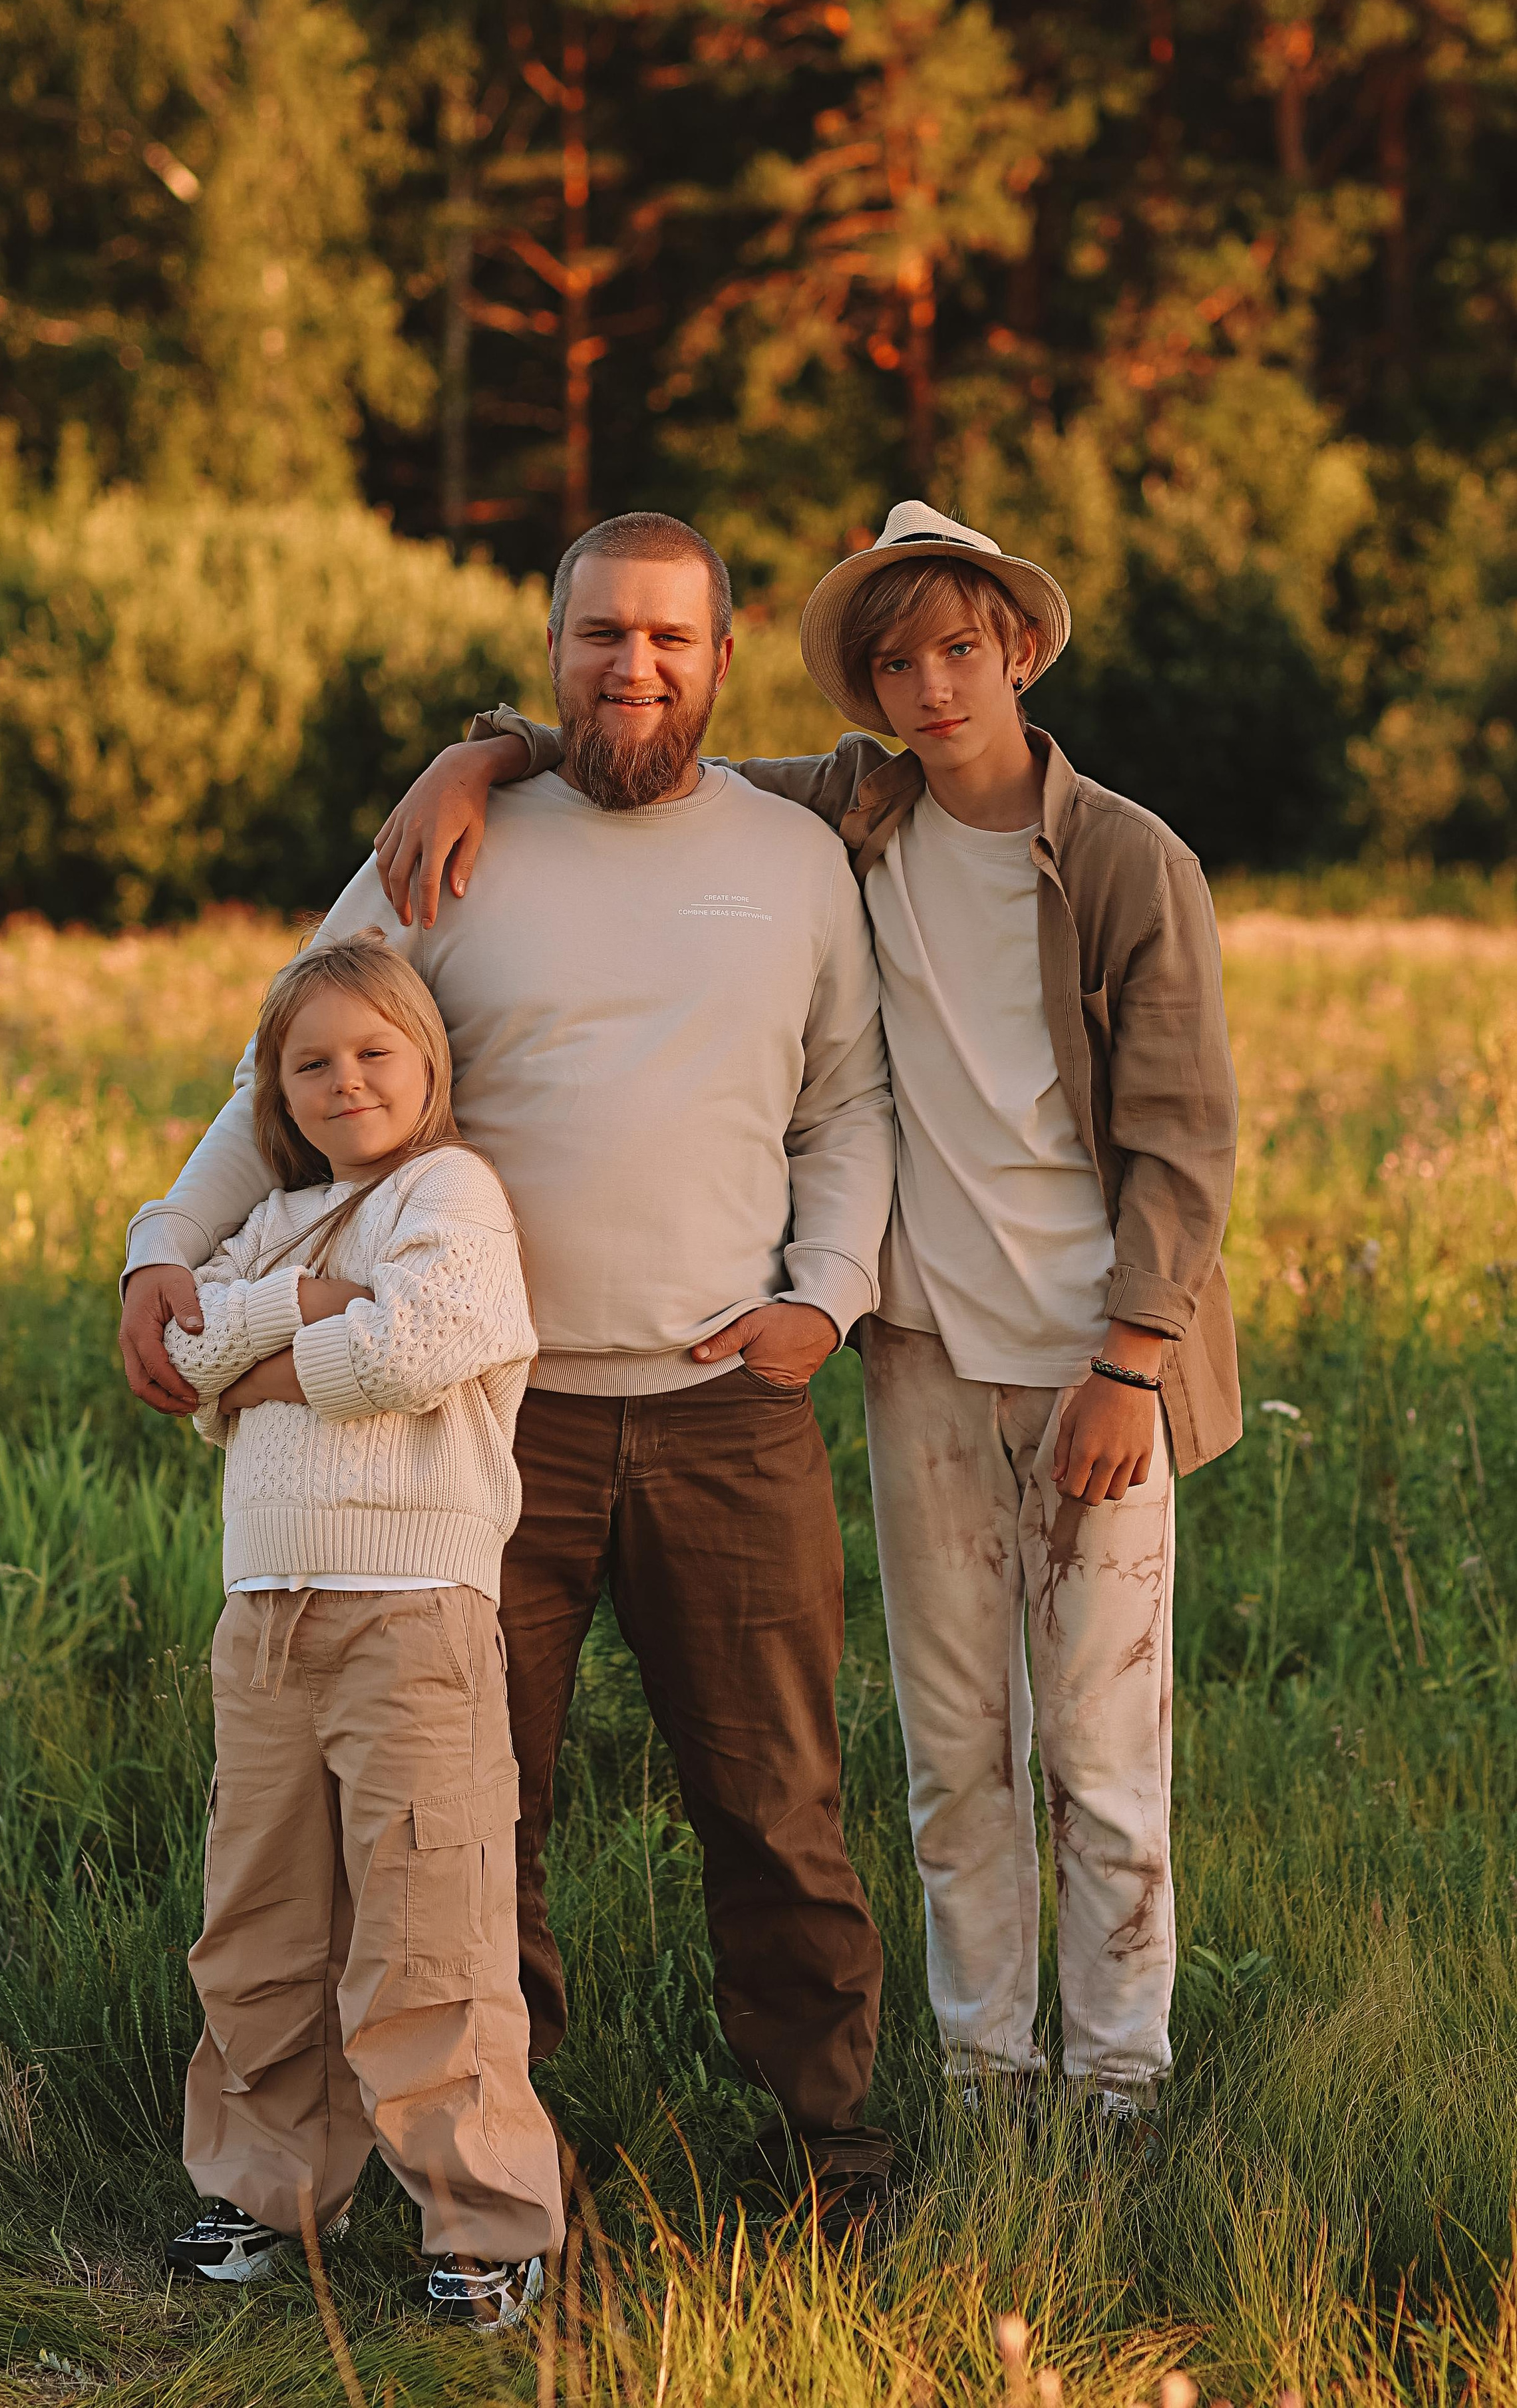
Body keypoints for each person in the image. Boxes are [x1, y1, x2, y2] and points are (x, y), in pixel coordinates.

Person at [377, 500, 1241, 2137]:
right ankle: (988, 2082)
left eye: (961, 652)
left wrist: (1131, 1355)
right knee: (951, 1753)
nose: (931, 687)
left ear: (1019, 651)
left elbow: (1187, 1141)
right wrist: (471, 758)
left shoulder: (1123, 856)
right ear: (862, 688)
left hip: (1093, 1366)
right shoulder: (845, 815)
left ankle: (1117, 2089)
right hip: (917, 1356)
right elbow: (637, 754)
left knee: (1101, 1754)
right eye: (896, 662)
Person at [120, 514, 897, 2228]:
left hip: (724, 1413)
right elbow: (289, 1054)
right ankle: (491, 2143)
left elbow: (846, 1106)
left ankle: (826, 2134)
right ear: (548, 652)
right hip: (484, 1422)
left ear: (719, 651)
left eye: (668, 640)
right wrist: (162, 1245)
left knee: (771, 1798)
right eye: (599, 635)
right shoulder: (449, 846)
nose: (633, 667)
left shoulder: (789, 860)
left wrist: (826, 1296)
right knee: (481, 1811)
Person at [158, 928, 564, 2328]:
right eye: (310, 1063)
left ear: (428, 1062)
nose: (344, 1083)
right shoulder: (275, 1216)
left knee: (426, 1926)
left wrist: (275, 1355)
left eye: (373, 1053)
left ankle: (479, 2220)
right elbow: (191, 1351)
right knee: (258, 1920)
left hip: (412, 1615)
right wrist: (303, 1313)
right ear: (274, 1088)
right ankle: (262, 2188)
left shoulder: (450, 1192)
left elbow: (421, 1343)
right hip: (264, 1610)